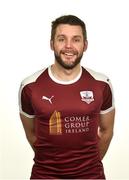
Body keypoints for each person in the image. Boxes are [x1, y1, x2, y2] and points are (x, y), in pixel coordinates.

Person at [19, 15, 115, 179]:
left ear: (85, 45)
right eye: (61, 39)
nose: (69, 46)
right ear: (52, 44)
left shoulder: (102, 84)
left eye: (76, 40)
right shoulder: (30, 86)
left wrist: (87, 167)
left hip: (91, 176)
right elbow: (32, 134)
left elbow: (106, 132)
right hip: (45, 176)